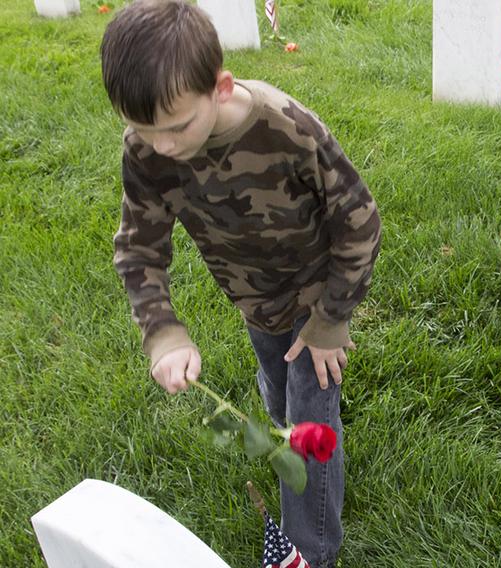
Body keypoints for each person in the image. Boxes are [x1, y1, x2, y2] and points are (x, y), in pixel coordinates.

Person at [101, 2, 381, 566]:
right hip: (256, 301)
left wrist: (331, 320)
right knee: (279, 399)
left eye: (177, 127)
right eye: (144, 130)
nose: (164, 147)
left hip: (315, 296)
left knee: (307, 424)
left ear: (221, 88)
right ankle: (295, 433)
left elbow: (359, 222)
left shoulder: (287, 127)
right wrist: (164, 334)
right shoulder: (148, 151)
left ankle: (307, 552)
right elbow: (138, 249)